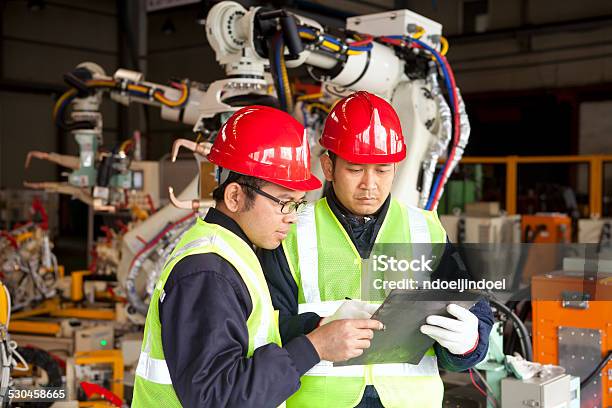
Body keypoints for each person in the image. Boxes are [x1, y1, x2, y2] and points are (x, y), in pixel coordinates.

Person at [132, 105, 383, 407]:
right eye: (285, 202)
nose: (292, 217)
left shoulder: (232, 253)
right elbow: (216, 398)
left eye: (298, 204)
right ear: (235, 196)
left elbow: (247, 340)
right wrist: (314, 347)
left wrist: (312, 327)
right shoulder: (208, 272)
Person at [259, 92, 494, 408]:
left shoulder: (424, 228)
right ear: (328, 166)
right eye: (355, 169)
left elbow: (472, 315)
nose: (369, 184)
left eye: (382, 170)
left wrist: (469, 343)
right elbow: (262, 326)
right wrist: (317, 326)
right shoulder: (292, 228)